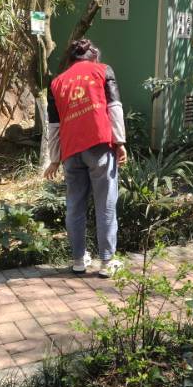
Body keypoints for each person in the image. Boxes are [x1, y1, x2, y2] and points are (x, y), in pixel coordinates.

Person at [44, 38, 127, 277]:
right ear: (94, 56)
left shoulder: (56, 82)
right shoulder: (103, 71)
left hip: (71, 152)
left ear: (71, 59)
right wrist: (120, 142)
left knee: (75, 205)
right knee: (105, 204)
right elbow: (114, 108)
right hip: (99, 145)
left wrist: (54, 159)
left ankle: (79, 260)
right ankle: (107, 262)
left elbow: (54, 125)